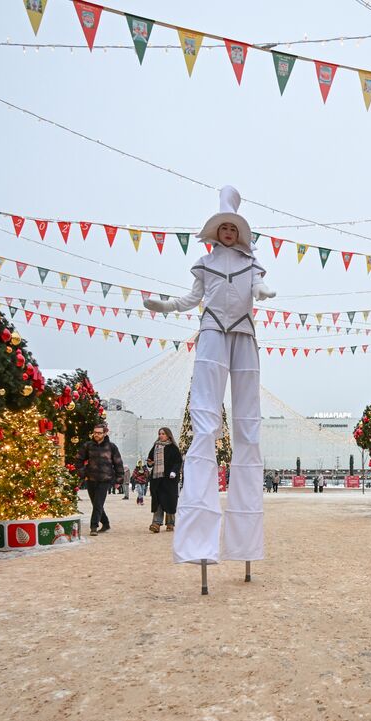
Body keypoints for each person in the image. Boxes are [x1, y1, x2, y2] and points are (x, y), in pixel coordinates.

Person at [145, 186, 273, 572]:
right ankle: (198, 538)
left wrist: (263, 289)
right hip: (214, 329)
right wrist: (166, 305)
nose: (229, 233)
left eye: (234, 228)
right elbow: (190, 299)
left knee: (248, 424)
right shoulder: (204, 263)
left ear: (240, 233)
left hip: (244, 331)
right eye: (224, 228)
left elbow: (256, 288)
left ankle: (245, 541)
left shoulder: (252, 265)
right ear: (217, 233)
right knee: (204, 421)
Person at [76, 423, 123, 536]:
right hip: (91, 478)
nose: (96, 435)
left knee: (98, 503)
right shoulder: (88, 446)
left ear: (105, 433)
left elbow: (118, 463)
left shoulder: (111, 447)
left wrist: (119, 479)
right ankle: (106, 523)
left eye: (99, 433)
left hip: (105, 479)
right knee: (96, 503)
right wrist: (82, 473)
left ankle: (94, 526)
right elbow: (78, 460)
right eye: (95, 432)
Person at [145, 427, 183, 533]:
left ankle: (170, 523)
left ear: (168, 435)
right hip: (157, 479)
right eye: (159, 433)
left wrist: (174, 471)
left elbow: (178, 462)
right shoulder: (155, 447)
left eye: (163, 433)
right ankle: (156, 523)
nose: (161, 435)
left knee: (170, 501)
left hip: (170, 479)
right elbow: (150, 459)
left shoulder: (173, 448)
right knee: (158, 500)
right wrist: (149, 463)